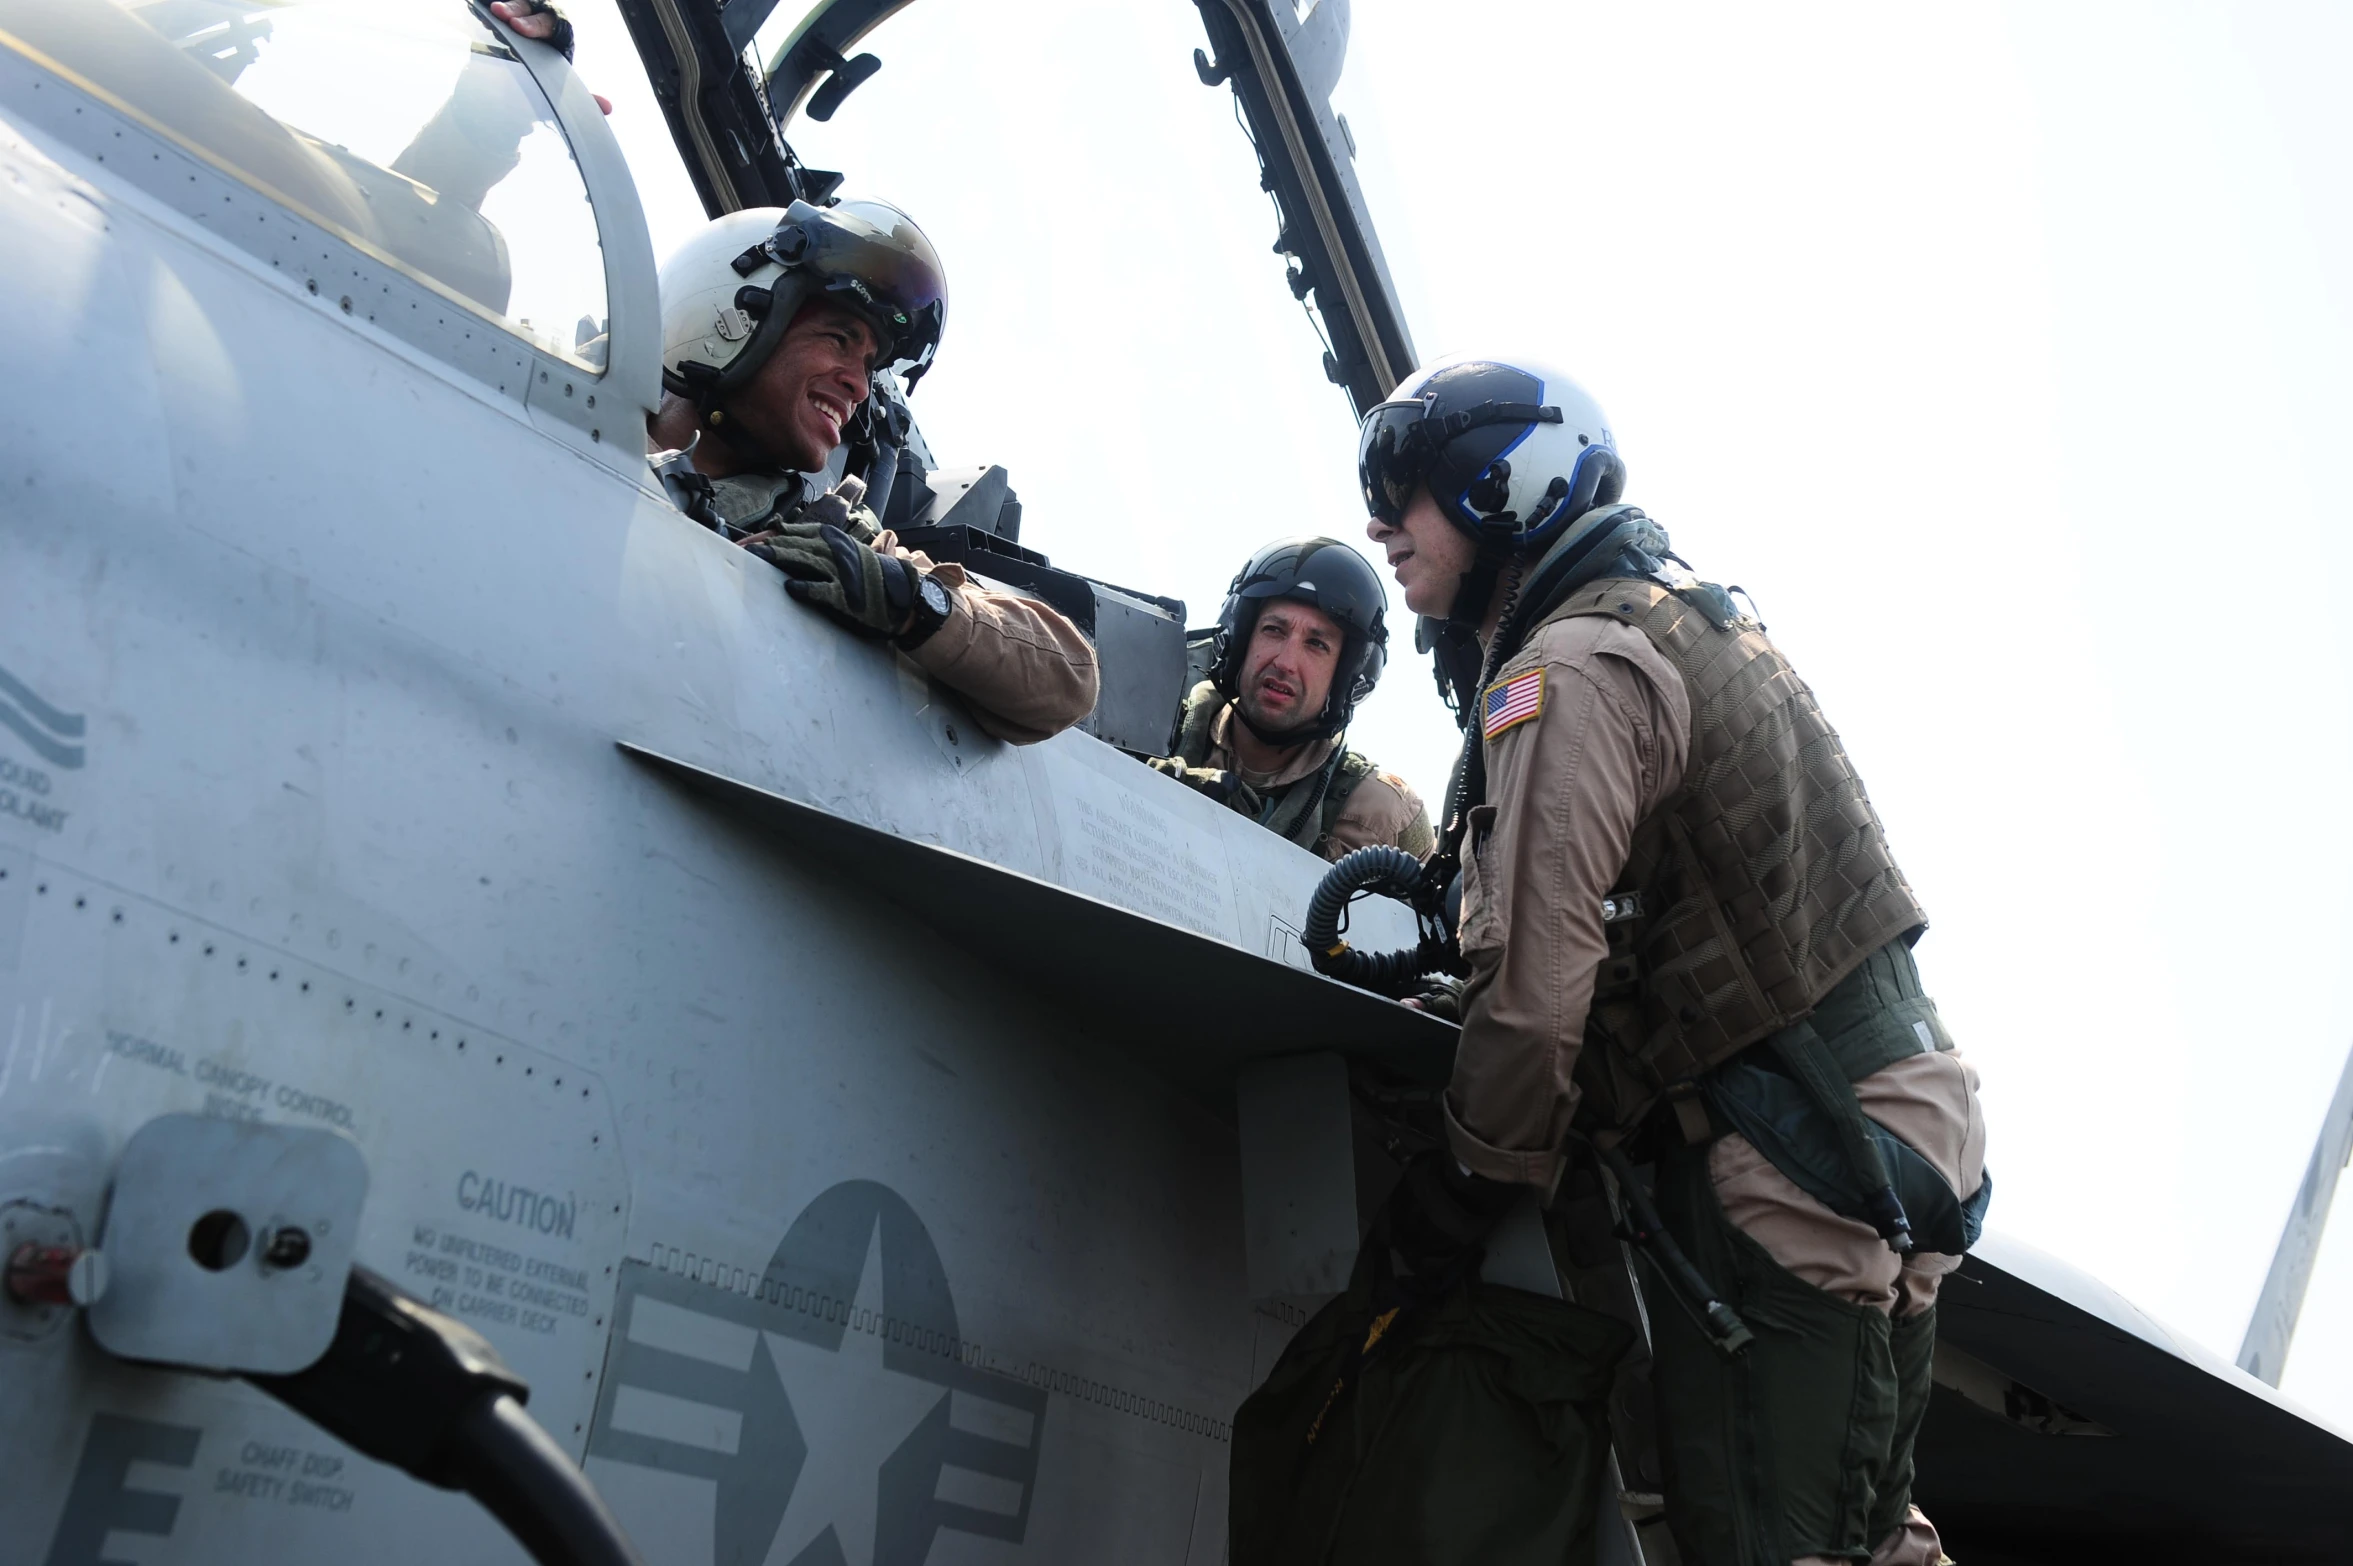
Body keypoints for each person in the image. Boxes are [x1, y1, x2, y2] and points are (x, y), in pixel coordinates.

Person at [1359, 357, 1987, 1566]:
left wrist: (1463, 1187)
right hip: (1896, 1112)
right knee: (1869, 1539)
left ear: (1501, 491)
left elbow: (1535, 999)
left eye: (1407, 491)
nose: (1381, 526)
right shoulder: (1691, 615)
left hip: (1783, 1145)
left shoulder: (1570, 669)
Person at [645, 202, 1097, 745]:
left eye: (869, 364)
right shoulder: (554, 388)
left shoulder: (829, 535)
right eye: (838, 339)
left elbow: (1068, 675)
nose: (859, 386)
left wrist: (903, 597)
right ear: (734, 313)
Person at [1149, 538, 1432, 861]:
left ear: (1347, 676)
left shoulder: (1386, 818)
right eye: (1273, 630)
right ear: (1239, 640)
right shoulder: (1147, 733)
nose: (1285, 662)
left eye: (1316, 644)